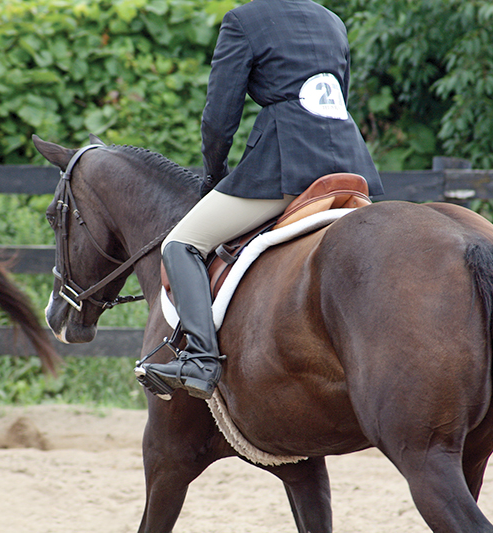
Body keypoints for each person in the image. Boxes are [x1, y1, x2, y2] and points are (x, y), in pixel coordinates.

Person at [135, 0, 384, 400]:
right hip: (350, 164)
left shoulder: (243, 20)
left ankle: (200, 361)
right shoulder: (332, 21)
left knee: (181, 243)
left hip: (285, 167)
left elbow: (219, 120)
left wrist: (214, 174)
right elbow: (339, 95)